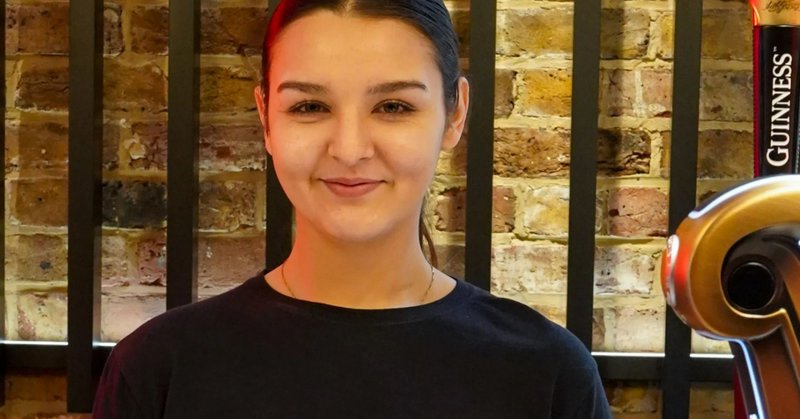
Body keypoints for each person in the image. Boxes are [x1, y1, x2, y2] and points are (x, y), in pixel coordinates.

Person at [93, 1, 612, 417]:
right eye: (310, 107)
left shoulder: (547, 374)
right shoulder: (161, 367)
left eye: (393, 107)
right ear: (266, 119)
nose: (349, 148)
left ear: (455, 116)